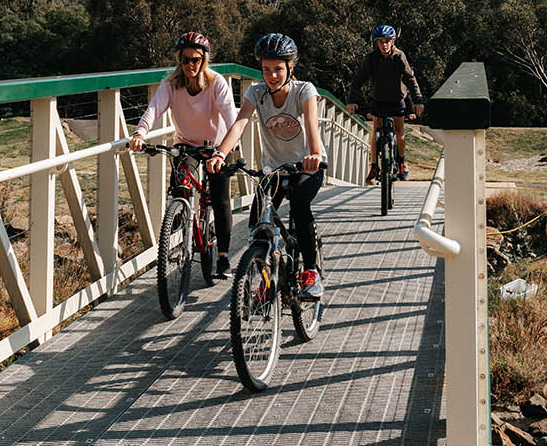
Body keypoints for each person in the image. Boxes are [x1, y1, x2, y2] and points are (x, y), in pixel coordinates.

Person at [207, 32, 328, 300]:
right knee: (258, 223)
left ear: (290, 67)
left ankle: (311, 271)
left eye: (278, 69)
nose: (271, 75)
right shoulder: (256, 92)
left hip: (307, 167)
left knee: (299, 205)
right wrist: (220, 154)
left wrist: (315, 154)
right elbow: (240, 123)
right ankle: (265, 277)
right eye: (266, 69)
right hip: (273, 169)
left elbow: (311, 124)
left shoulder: (304, 90)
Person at [129, 31, 238, 279]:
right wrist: (139, 133)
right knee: (179, 186)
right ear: (179, 60)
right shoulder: (171, 84)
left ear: (204, 60)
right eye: (185, 59)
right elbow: (154, 108)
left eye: (196, 59)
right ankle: (178, 228)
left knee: (220, 199)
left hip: (218, 147)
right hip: (186, 144)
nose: (190, 65)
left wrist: (225, 149)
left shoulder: (217, 83)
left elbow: (231, 117)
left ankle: (223, 257)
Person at [347, 24, 425, 182]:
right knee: (376, 131)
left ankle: (402, 162)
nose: (384, 45)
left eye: (387, 41)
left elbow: (410, 78)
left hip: (397, 100)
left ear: (393, 41)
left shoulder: (399, 56)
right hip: (379, 100)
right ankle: (374, 166)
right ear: (376, 43)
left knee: (399, 131)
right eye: (381, 42)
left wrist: (417, 100)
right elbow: (359, 79)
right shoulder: (372, 58)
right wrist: (352, 100)